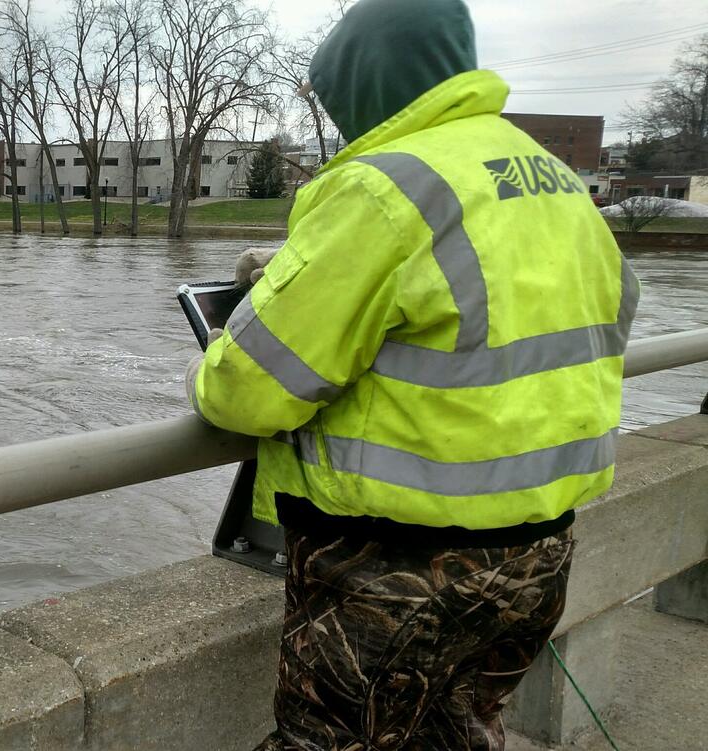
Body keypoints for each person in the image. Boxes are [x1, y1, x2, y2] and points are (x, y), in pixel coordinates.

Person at [186, 0, 638, 748]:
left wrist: (241, 333)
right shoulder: (554, 179)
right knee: (458, 734)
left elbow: (248, 390)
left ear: (364, 88)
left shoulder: (382, 185)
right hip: (538, 557)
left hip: (395, 568)